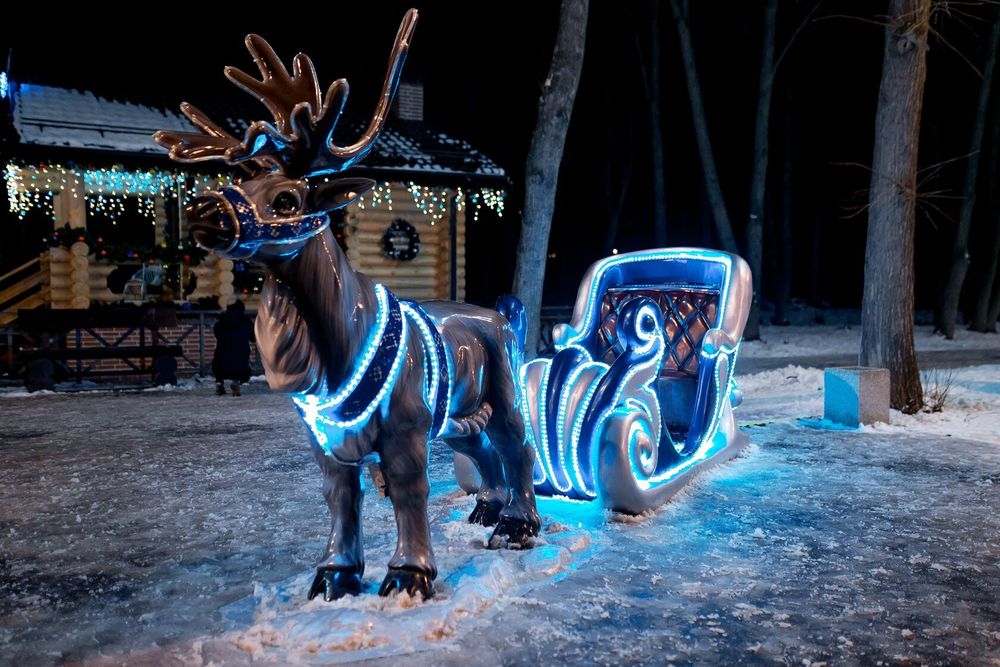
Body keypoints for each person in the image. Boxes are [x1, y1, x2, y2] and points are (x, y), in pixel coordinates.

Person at [212, 300, 253, 396]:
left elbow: (217, 332)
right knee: (239, 366)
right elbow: (252, 335)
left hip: (222, 356)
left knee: (219, 367)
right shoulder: (245, 321)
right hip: (240, 357)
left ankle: (219, 384)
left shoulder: (222, 320)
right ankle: (236, 382)